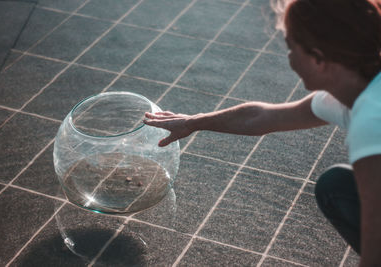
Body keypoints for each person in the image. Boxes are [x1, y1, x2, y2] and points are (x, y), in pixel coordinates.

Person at [143, 0, 381, 265]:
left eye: (291, 48)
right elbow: (262, 117)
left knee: (336, 187)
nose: (289, 58)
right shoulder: (350, 92)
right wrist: (192, 122)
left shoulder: (372, 122)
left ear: (318, 59)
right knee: (335, 185)